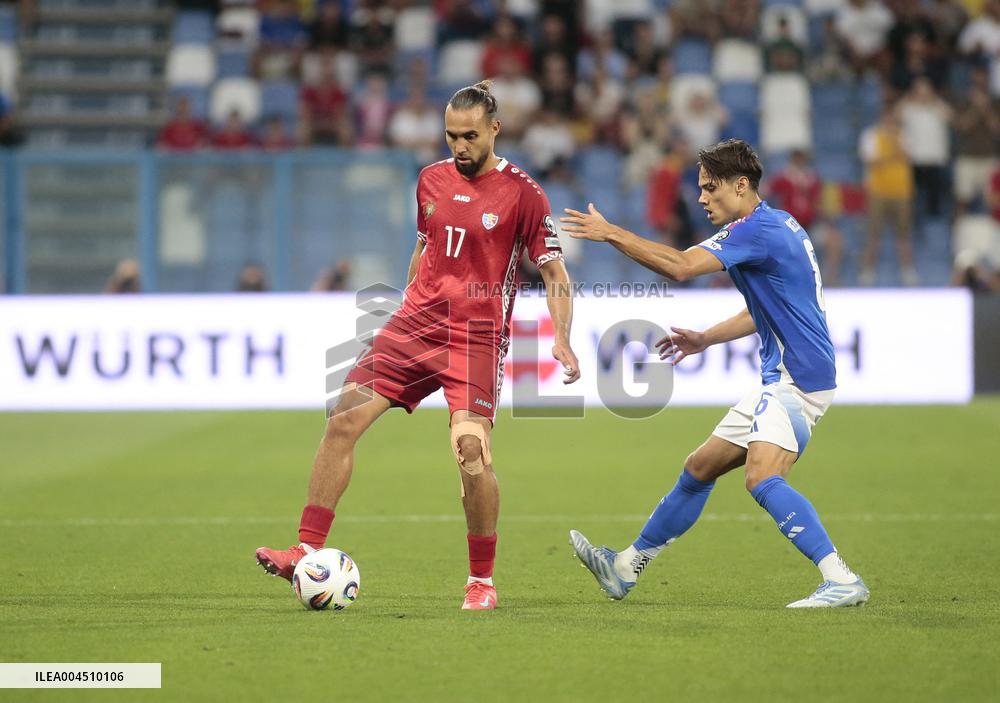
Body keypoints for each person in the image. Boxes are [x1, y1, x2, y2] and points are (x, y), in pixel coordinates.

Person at [256, 81, 581, 611]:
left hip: (475, 340)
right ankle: (306, 550)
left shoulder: (524, 193)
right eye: (451, 135)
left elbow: (555, 273)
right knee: (342, 418)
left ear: (495, 129)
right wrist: (401, 312)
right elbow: (425, 248)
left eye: (470, 136)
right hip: (414, 326)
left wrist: (561, 339)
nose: (459, 146)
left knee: (471, 453)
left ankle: (481, 581)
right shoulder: (429, 179)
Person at [560, 139, 868, 609]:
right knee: (699, 468)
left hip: (795, 377)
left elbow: (681, 267)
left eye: (710, 187)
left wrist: (611, 234)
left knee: (762, 478)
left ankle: (841, 578)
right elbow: (765, 309)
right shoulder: (777, 225)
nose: (701, 198)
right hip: (788, 375)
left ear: (741, 185)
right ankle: (626, 567)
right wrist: (705, 338)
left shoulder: (755, 231)